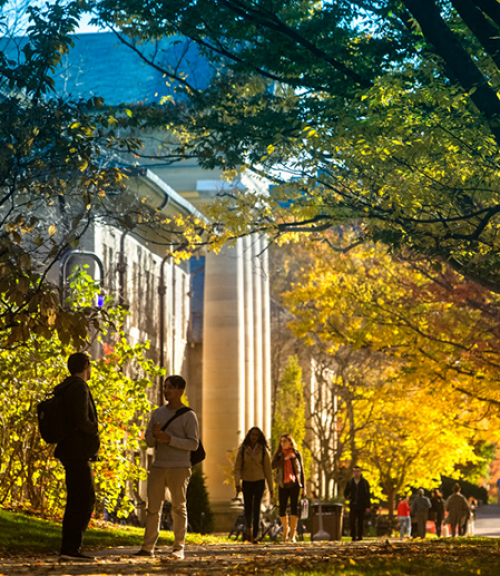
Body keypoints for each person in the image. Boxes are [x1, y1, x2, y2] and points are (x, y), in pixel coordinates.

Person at [134, 375, 199, 559]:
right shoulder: (157, 413)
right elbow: (148, 442)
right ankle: (147, 548)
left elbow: (193, 444)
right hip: (159, 465)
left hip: (180, 466)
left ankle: (179, 548)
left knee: (178, 507)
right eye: (165, 387)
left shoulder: (188, 415)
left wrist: (170, 439)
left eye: (170, 387)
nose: (166, 391)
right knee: (153, 507)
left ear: (180, 391)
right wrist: (155, 436)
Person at [55, 352, 99, 562]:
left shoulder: (66, 386)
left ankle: (68, 548)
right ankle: (72, 548)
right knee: (85, 498)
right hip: (78, 450)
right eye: (89, 366)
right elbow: (81, 419)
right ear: (85, 365)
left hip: (69, 449)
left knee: (75, 499)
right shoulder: (79, 387)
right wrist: (95, 429)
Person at [234, 427, 273, 543]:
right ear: (249, 436)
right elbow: (237, 468)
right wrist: (237, 483)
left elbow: (268, 471)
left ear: (259, 436)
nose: (254, 437)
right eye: (252, 434)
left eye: (256, 435)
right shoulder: (242, 450)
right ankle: (249, 532)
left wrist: (271, 488)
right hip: (247, 482)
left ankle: (255, 535)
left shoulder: (263, 451)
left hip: (259, 481)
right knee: (248, 508)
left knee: (257, 508)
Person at [272, 434, 306, 543]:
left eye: (285, 441)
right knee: (282, 509)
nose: (283, 443)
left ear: (290, 442)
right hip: (283, 484)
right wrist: (284, 459)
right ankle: (285, 531)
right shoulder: (279, 454)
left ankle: (292, 535)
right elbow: (272, 465)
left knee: (294, 509)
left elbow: (302, 471)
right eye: (281, 441)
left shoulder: (296, 454)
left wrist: (304, 487)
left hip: (295, 484)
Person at [343, 465, 371, 542]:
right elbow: (346, 492)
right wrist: (348, 498)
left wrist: (368, 506)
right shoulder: (350, 482)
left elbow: (367, 495)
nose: (356, 473)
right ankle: (353, 536)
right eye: (354, 471)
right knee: (352, 521)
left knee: (360, 522)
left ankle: (360, 536)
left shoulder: (364, 482)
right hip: (353, 505)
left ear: (360, 472)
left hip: (361, 505)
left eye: (358, 471)